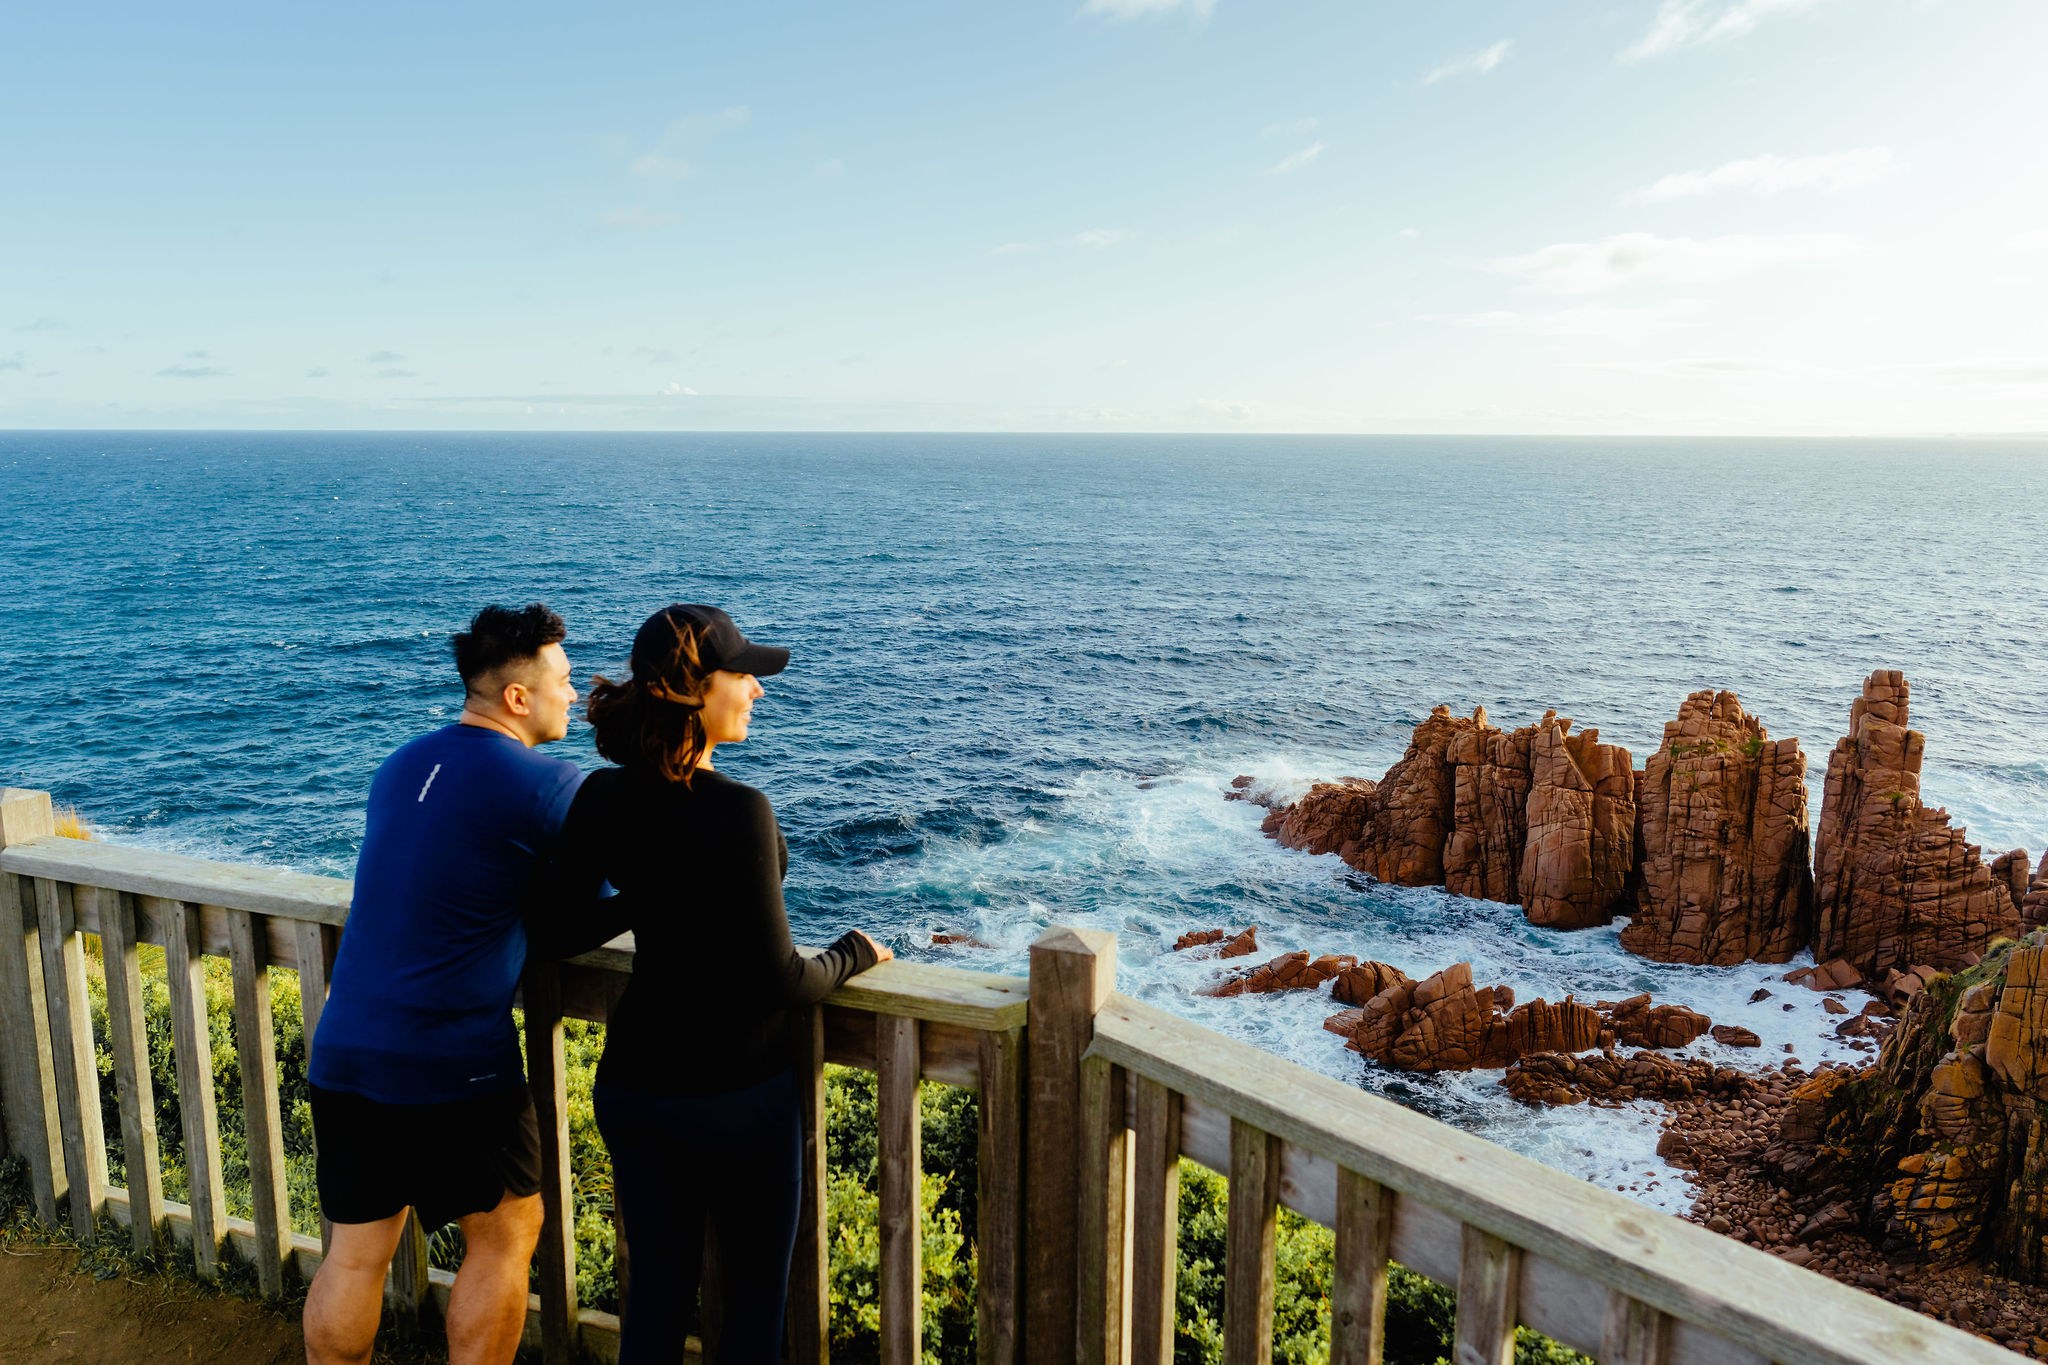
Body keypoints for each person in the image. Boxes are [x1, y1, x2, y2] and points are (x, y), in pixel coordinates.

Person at [569, 603, 892, 1364]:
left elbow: (552, 928)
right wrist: (854, 950)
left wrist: (644, 898)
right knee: (752, 1315)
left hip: (637, 1088)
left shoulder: (602, 796)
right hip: (736, 1098)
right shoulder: (741, 809)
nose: (757, 690)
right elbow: (785, 977)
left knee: (653, 1299)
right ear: (696, 688)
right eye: (743, 674)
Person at [303, 603, 624, 1365]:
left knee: (355, 1255)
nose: (574, 696)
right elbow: (601, 895)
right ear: (518, 697)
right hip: (454, 1059)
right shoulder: (548, 783)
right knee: (509, 1229)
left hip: (346, 1047)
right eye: (565, 680)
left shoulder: (402, 761)